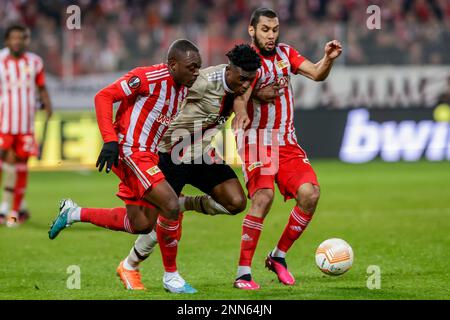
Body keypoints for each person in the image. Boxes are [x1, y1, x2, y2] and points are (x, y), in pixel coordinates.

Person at [48, 39, 202, 294]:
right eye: (192, 67)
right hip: (131, 151)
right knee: (172, 205)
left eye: (199, 67)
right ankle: (171, 277)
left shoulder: (185, 87)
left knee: (141, 223)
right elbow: (103, 96)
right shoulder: (148, 77)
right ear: (173, 65)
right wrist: (110, 140)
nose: (196, 72)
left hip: (149, 156)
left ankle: (73, 213)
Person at [114, 44, 261, 290]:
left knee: (236, 202)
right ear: (230, 70)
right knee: (160, 218)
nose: (246, 85)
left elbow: (246, 92)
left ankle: (185, 203)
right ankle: (131, 264)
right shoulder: (202, 81)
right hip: (171, 154)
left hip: (201, 154)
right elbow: (169, 91)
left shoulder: (239, 83)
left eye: (250, 80)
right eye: (243, 79)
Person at [232, 8, 343, 290]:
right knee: (264, 197)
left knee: (310, 194)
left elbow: (317, 74)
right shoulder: (246, 60)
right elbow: (237, 95)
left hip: (286, 141)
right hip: (256, 139)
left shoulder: (285, 54)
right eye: (265, 29)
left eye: (275, 29)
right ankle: (243, 272)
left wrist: (327, 59)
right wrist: (245, 108)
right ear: (252, 30)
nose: (271, 35)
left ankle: (278, 256)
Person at [0, 25, 52, 227]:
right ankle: (5, 205)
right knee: (5, 162)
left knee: (21, 166)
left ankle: (13, 212)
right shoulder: (1, 62)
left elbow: (41, 87)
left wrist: (48, 105)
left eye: (20, 38)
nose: (17, 41)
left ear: (25, 40)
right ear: (7, 41)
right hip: (4, 122)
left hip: (25, 124)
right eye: (13, 38)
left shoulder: (35, 62)